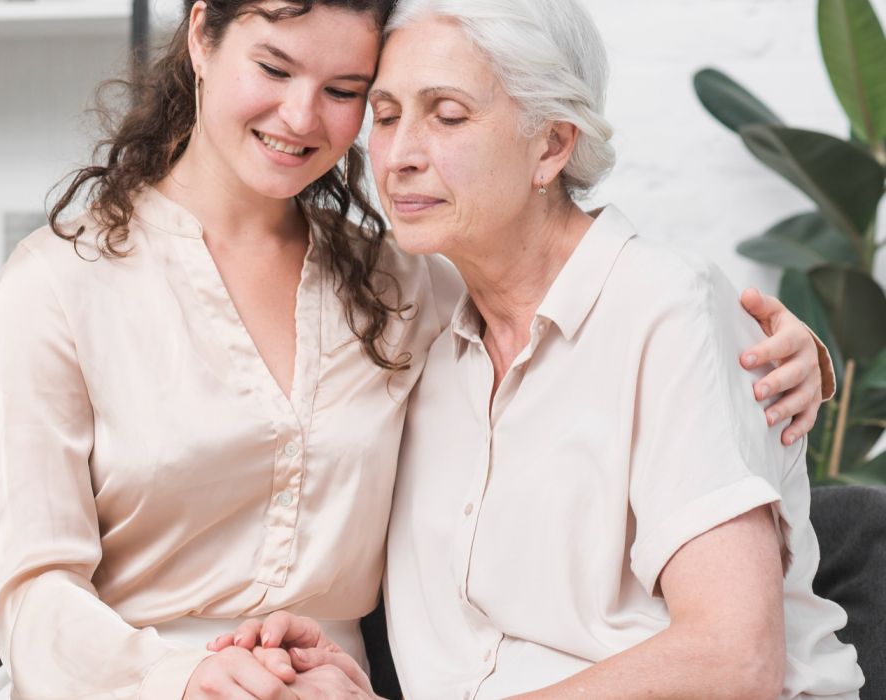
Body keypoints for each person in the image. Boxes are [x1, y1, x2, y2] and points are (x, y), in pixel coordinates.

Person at [0, 0, 835, 696]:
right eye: (273, 68)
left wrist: (785, 353)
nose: (301, 116)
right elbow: (31, 591)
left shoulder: (404, 284)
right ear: (201, 35)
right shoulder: (58, 283)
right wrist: (180, 679)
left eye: (347, 90)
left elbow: (576, 295)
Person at [212, 0, 864, 697]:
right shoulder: (425, 337)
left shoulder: (666, 310)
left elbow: (733, 660)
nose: (398, 157)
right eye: (387, 114)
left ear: (552, 146)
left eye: (448, 115)